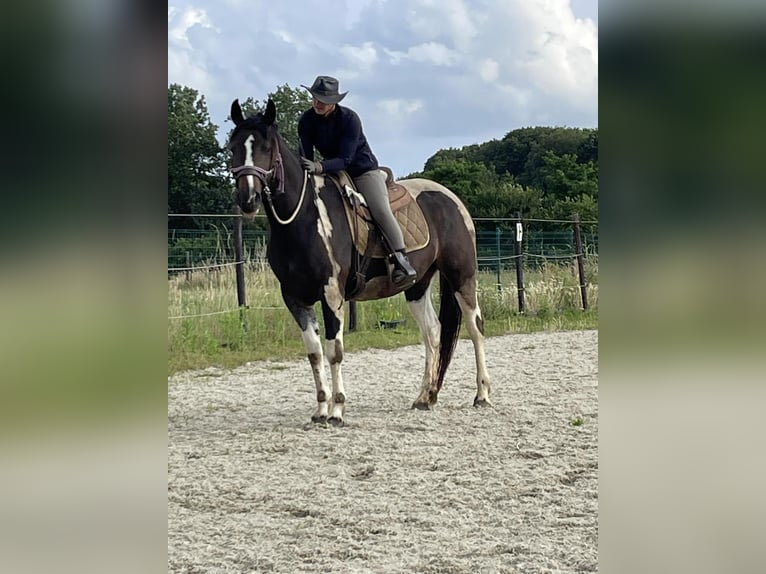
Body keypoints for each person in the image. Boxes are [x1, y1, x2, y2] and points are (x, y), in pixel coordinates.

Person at [298, 75, 417, 288]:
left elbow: (346, 159)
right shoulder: (306, 121)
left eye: (323, 100)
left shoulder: (349, 119)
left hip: (361, 171)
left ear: (335, 102)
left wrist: (319, 166)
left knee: (380, 209)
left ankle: (402, 260)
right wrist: (308, 169)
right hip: (329, 173)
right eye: (315, 98)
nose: (318, 103)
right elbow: (305, 155)